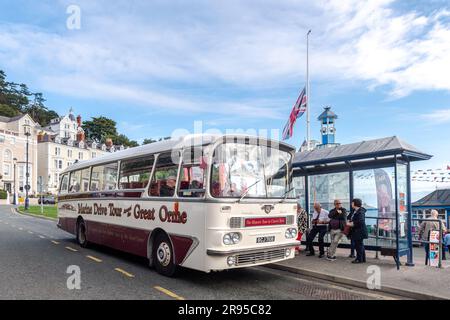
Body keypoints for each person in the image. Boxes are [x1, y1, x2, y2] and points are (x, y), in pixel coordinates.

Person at [347, 198, 368, 264]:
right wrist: (349, 221)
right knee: (359, 245)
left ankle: (359, 259)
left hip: (360, 231)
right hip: (357, 231)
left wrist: (351, 224)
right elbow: (349, 217)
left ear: (355, 203)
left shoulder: (360, 211)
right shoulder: (355, 210)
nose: (351, 204)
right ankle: (362, 258)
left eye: (352, 203)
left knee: (359, 245)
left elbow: (360, 222)